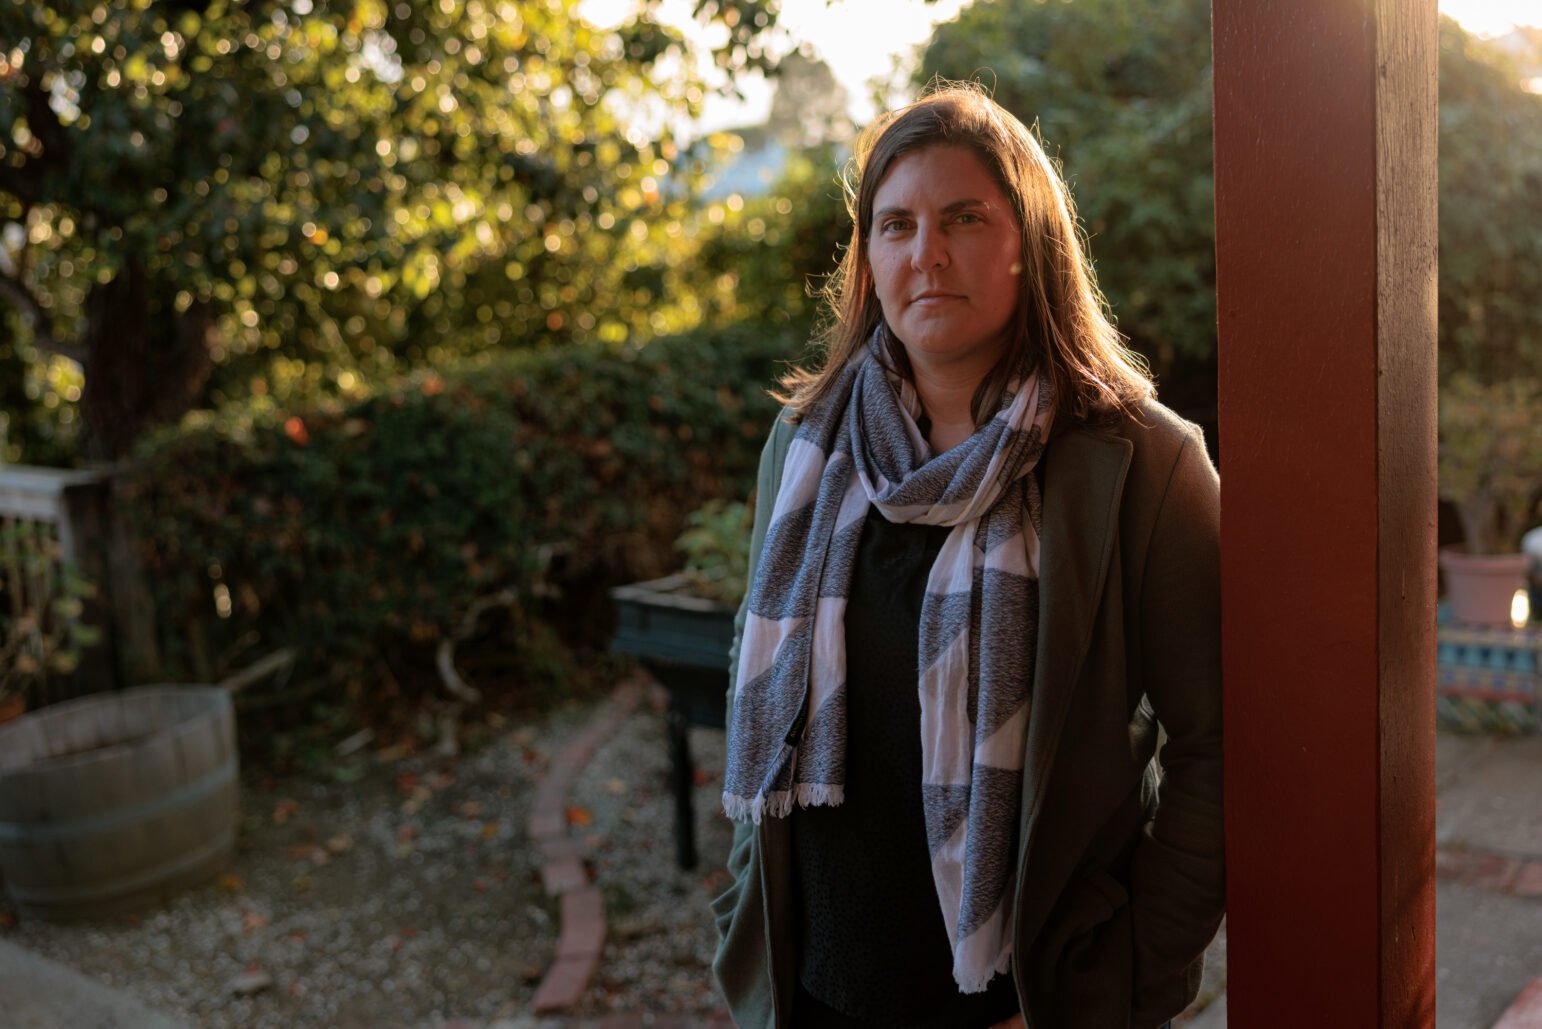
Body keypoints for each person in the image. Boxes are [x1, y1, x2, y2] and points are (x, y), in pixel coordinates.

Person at [710, 83, 1223, 1029]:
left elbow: (1220, 747)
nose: (926, 253)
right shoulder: (805, 448)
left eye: (963, 218)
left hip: (1022, 1002)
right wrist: (744, 907)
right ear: (868, 257)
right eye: (895, 224)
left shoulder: (1144, 466)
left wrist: (1128, 976)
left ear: (1028, 242)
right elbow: (756, 667)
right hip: (815, 994)